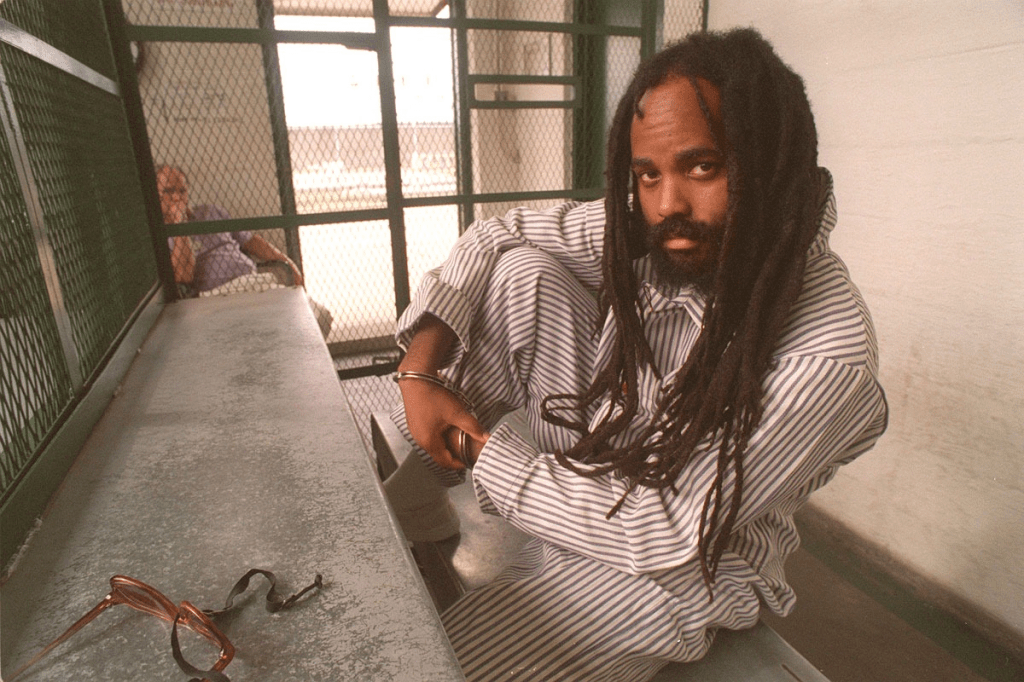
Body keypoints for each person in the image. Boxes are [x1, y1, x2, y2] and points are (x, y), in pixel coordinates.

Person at [386, 28, 888, 682]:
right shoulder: (662, 228)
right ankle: (417, 496)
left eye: (703, 167)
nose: (667, 203)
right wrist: (420, 370)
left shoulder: (828, 351)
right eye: (649, 173)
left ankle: (467, 476)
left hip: (681, 564)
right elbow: (494, 235)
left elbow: (666, 527)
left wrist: (485, 450)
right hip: (600, 449)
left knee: (441, 667)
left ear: (770, 165)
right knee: (521, 274)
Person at [156, 165, 332, 337]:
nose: (177, 197)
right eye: (168, 191)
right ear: (156, 196)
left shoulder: (210, 212)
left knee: (319, 316)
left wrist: (287, 262)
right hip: (216, 297)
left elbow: (252, 242)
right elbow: (184, 275)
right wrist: (179, 223)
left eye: (182, 190)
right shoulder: (162, 235)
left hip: (254, 283)